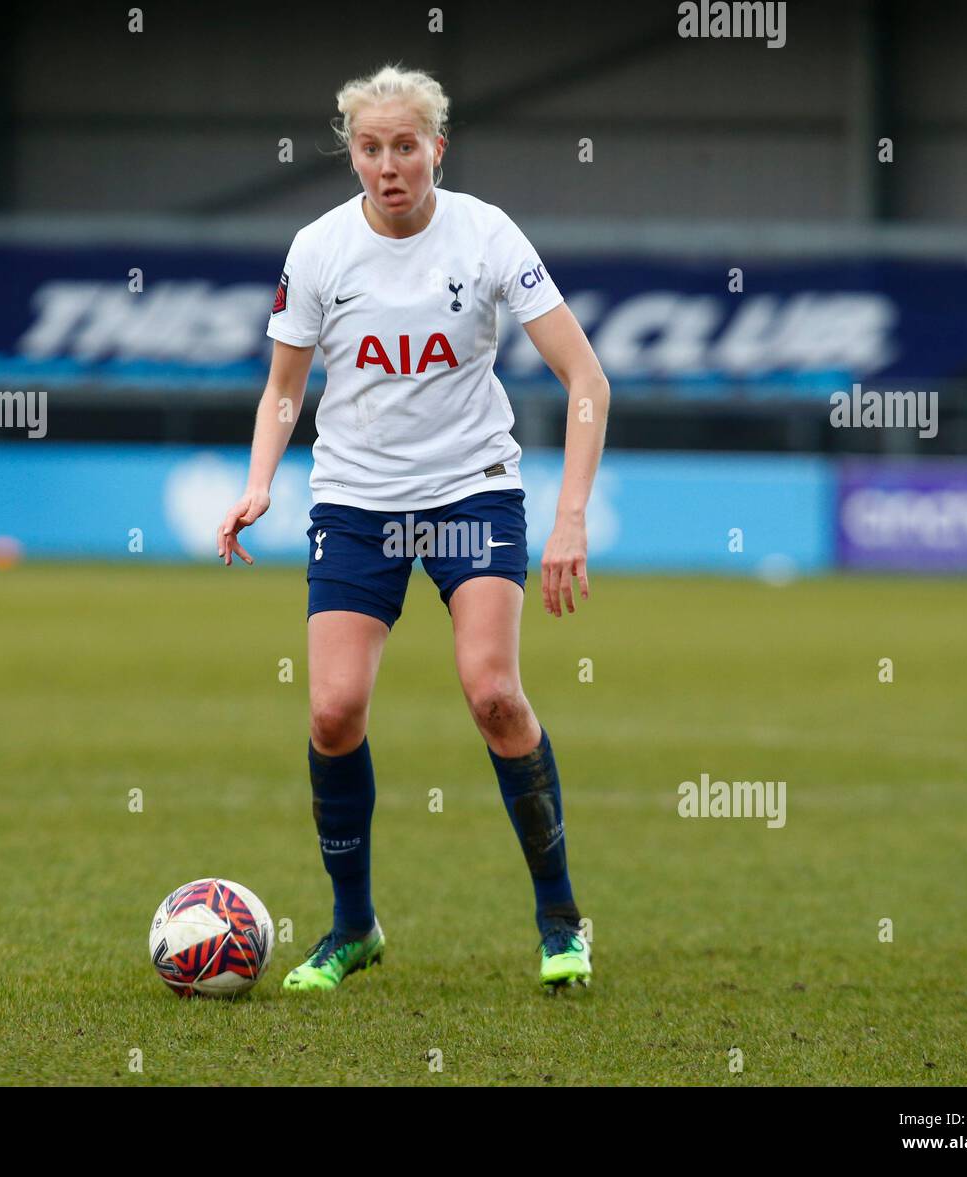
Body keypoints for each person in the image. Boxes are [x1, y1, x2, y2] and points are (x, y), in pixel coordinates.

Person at [218, 63, 610, 993]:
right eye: (369, 148)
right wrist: (260, 481)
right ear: (349, 152)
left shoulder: (487, 236)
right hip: (354, 501)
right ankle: (354, 926)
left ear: (438, 146)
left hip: (471, 491)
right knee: (332, 709)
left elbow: (587, 382)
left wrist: (569, 518)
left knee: (493, 693)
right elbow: (283, 390)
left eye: (405, 146)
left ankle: (562, 921)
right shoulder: (318, 249)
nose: (388, 165)